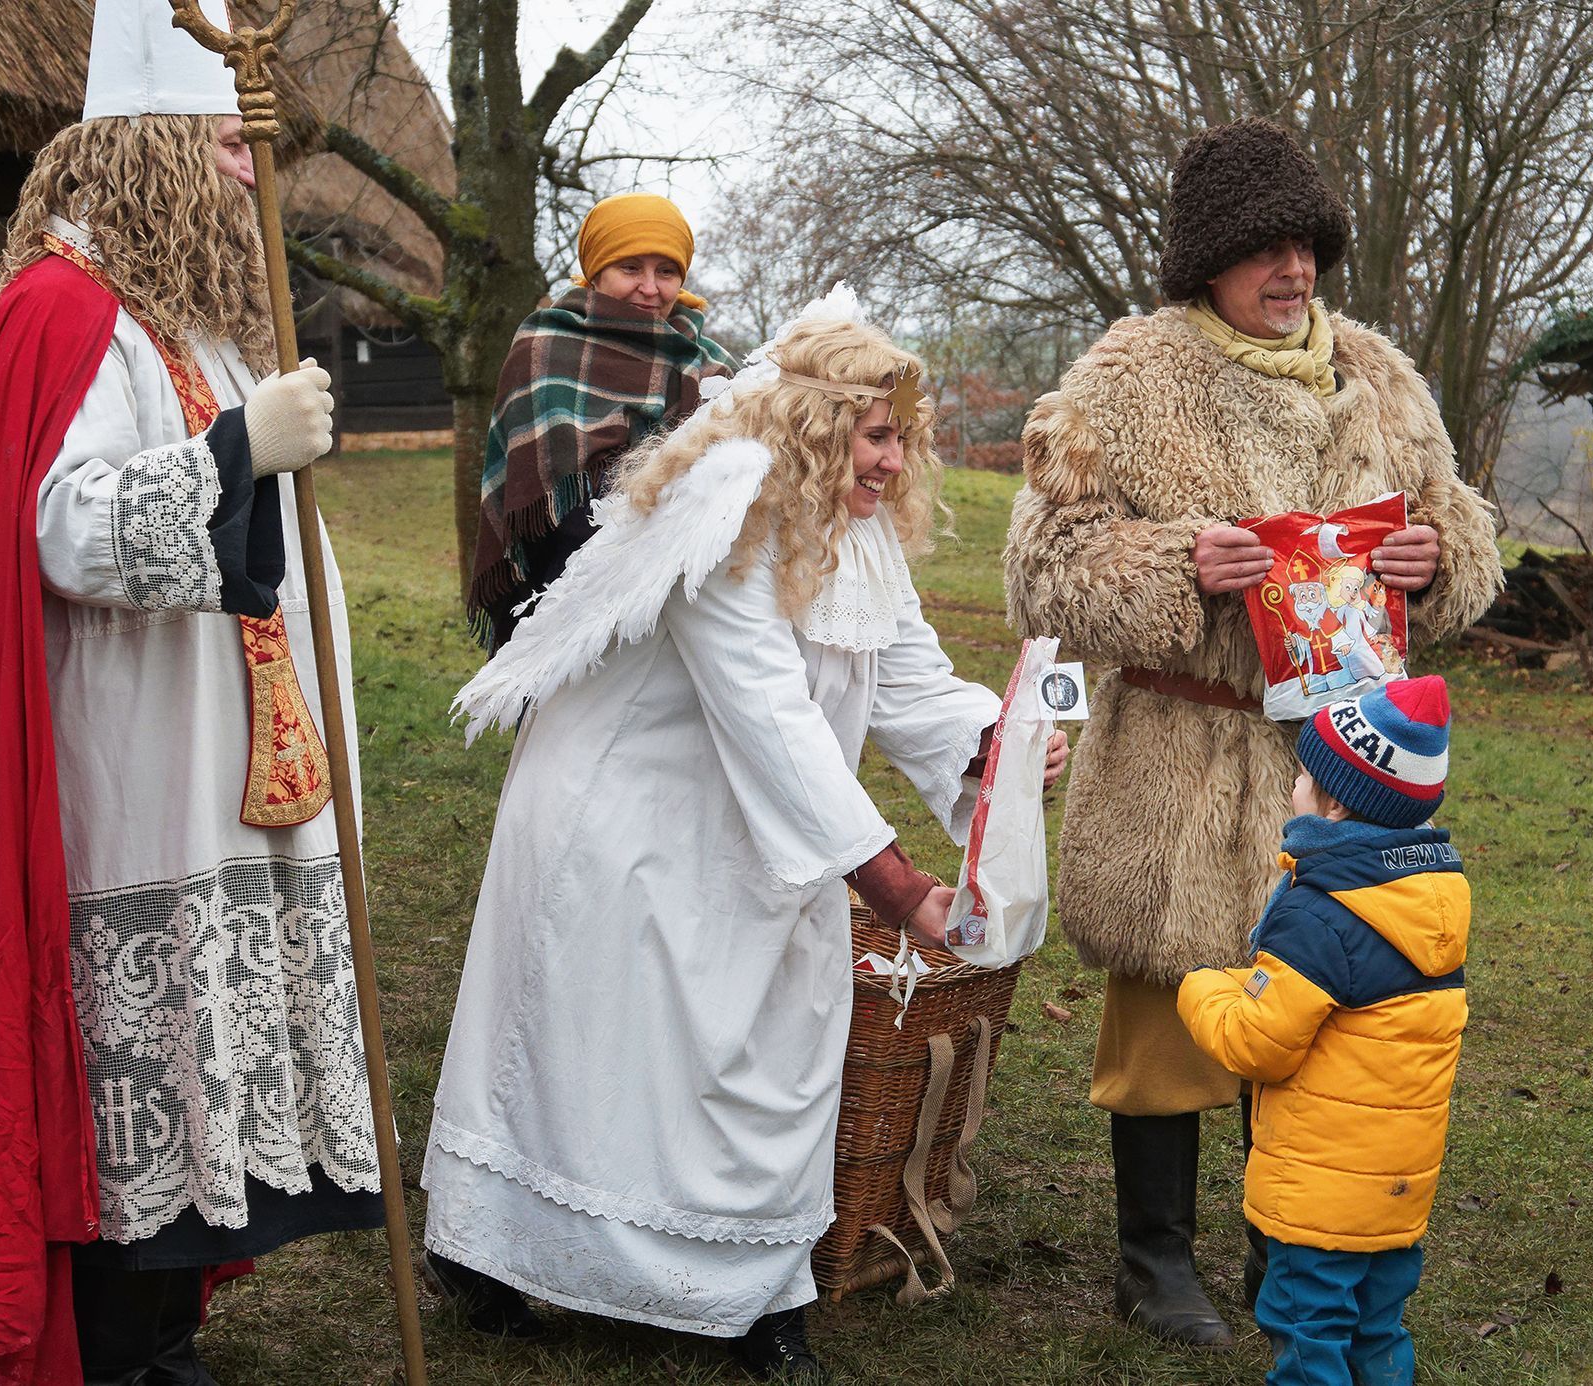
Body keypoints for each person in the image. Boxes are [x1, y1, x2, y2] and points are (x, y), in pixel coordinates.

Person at [0, 3, 381, 1382]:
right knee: (135, 1093)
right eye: (222, 147)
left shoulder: (198, 322)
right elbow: (68, 527)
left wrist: (249, 431)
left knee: (209, 1102)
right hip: (125, 774)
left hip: (230, 753)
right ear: (143, 143)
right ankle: (107, 1345)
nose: (250, 173)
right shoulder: (59, 306)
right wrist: (232, 456)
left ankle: (157, 1336)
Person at [422, 289, 1065, 1380]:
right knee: (608, 1060)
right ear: (814, 427)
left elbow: (902, 671)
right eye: (874, 436)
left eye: (900, 439)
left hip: (752, 825)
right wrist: (900, 884)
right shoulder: (725, 514)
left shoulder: (854, 534)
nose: (893, 464)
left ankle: (756, 1290)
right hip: (626, 823)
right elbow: (767, 712)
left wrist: (988, 746)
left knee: (767, 1046)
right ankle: (494, 1253)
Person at [1002, 115, 1503, 1348]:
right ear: (1204, 262)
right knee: (1170, 1001)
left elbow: (1464, 541)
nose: (1291, 273)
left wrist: (1429, 561)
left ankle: (1288, 1236)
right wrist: (1178, 559)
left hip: (1332, 758)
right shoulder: (1124, 383)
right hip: (1175, 749)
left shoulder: (1378, 380)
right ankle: (1153, 1261)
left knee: (1313, 1001)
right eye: (1262, 251)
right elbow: (1041, 572)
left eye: (1305, 249)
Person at [1178, 676, 1467, 1385]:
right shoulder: (1433, 896)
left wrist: (1201, 988)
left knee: (1309, 1337)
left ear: (1334, 803)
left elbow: (1258, 1044)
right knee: (1376, 1332)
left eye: (1304, 775)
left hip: (1319, 1198)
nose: (1294, 788)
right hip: (1396, 1190)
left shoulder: (1319, 913)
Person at [467, 191, 739, 651]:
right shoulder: (546, 347)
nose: (650, 288)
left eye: (666, 271)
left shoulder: (708, 362)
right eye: (630, 268)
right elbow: (556, 503)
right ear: (596, 272)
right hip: (566, 592)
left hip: (690, 595)